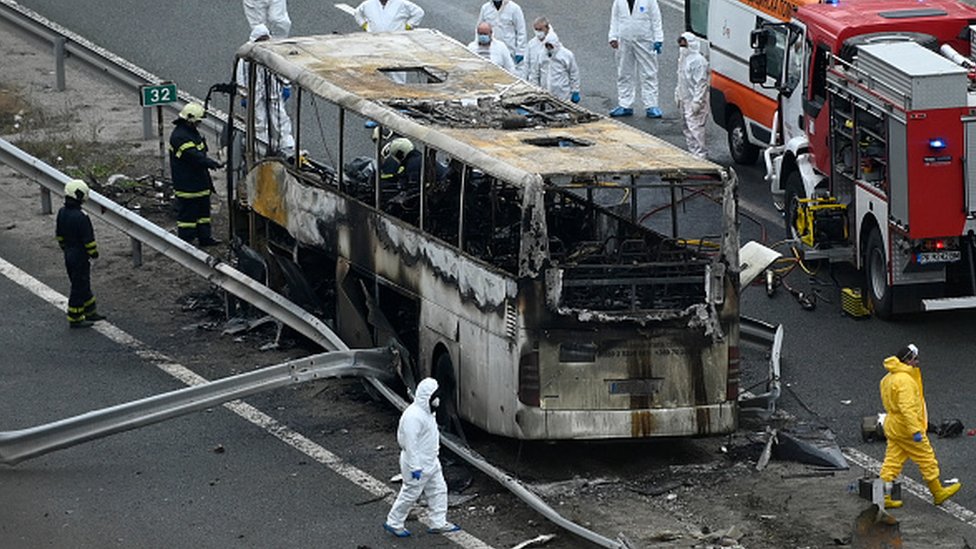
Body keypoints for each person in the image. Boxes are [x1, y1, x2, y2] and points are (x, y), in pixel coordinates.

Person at [878, 344, 961, 509]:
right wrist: (915, 430)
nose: (917, 362)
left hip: (893, 425)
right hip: (906, 427)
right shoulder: (905, 381)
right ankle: (938, 492)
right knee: (926, 458)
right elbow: (907, 408)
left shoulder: (888, 378)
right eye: (915, 359)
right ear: (908, 360)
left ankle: (883, 495)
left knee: (892, 461)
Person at [383, 378, 460, 537]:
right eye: (435, 396)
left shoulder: (428, 412)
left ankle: (438, 522)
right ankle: (394, 521)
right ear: (428, 397)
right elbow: (410, 444)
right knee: (410, 493)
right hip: (418, 464)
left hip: (431, 460)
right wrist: (415, 467)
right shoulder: (413, 416)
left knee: (438, 490)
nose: (438, 400)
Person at [169, 103, 224, 246]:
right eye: (198, 121)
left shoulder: (191, 132)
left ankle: (205, 238)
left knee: (203, 214)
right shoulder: (179, 137)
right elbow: (194, 157)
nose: (199, 124)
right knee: (188, 216)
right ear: (189, 119)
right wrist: (211, 163)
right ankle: (186, 242)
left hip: (200, 182)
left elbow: (200, 153)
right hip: (187, 184)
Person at [238, 24, 296, 159]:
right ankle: (262, 146)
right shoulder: (246, 55)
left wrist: (286, 85)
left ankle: (287, 145)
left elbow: (282, 69)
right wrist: (243, 93)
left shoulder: (273, 52)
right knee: (259, 120)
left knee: (281, 118)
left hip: (273, 91)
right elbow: (241, 75)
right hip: (255, 93)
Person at [56, 179, 105, 328]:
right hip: (80, 255)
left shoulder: (62, 212)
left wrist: (65, 248)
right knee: (79, 285)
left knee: (82, 283)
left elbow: (59, 235)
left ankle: (90, 311)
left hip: (69, 253)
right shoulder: (82, 217)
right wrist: (94, 253)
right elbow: (88, 240)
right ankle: (75, 317)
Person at [608, 0, 664, 118]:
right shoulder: (619, 1)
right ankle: (625, 104)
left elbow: (656, 19)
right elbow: (615, 19)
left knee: (648, 73)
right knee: (624, 73)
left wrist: (658, 39)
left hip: (645, 41)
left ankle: (651, 105)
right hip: (624, 41)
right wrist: (613, 37)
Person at [675, 32, 709, 159]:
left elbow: (701, 83)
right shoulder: (683, 58)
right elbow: (681, 77)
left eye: (684, 43)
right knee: (687, 127)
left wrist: (697, 101)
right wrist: (678, 93)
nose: (682, 46)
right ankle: (693, 153)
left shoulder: (698, 61)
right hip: (685, 99)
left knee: (695, 128)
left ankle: (700, 155)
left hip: (694, 100)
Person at [477, 0, 526, 74]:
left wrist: (520, 51)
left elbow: (521, 31)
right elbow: (479, 28)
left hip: (509, 50)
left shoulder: (514, 9)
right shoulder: (485, 8)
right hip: (492, 49)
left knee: (510, 73)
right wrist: (478, 45)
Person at [540, 34, 580, 104]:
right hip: (545, 94)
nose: (549, 48)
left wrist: (575, 90)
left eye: (550, 46)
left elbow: (574, 73)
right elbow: (537, 71)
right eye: (547, 46)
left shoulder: (566, 55)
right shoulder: (543, 54)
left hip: (562, 94)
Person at [354, 0, 425, 33]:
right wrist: (364, 25)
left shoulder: (401, 3)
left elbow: (419, 12)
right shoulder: (368, 4)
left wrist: (409, 25)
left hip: (397, 39)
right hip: (374, 38)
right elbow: (357, 13)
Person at [526, 17, 557, 87]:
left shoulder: (554, 43)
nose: (538, 32)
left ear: (547, 28)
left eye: (540, 30)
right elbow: (527, 64)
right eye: (536, 29)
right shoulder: (531, 44)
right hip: (536, 83)